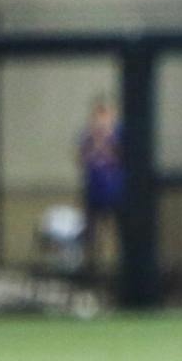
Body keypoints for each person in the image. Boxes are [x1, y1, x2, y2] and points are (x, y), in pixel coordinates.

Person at [76, 98, 123, 275]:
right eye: (98, 115)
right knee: (92, 233)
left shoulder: (118, 134)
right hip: (93, 191)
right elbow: (81, 159)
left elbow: (123, 156)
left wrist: (108, 143)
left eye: (106, 115)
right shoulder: (87, 135)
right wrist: (95, 143)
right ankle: (91, 268)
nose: (101, 120)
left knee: (119, 230)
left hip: (115, 191)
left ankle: (120, 267)